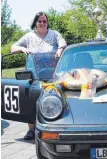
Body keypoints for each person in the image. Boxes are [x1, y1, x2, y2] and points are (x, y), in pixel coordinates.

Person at [11, 12, 67, 140]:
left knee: (54, 99)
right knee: (32, 100)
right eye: (40, 21)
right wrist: (22, 49)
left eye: (44, 21)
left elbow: (62, 41)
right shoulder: (29, 36)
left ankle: (54, 126)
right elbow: (13, 48)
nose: (42, 23)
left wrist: (59, 49)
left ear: (47, 23)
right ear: (35, 22)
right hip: (33, 75)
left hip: (52, 74)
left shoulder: (54, 34)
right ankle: (31, 130)